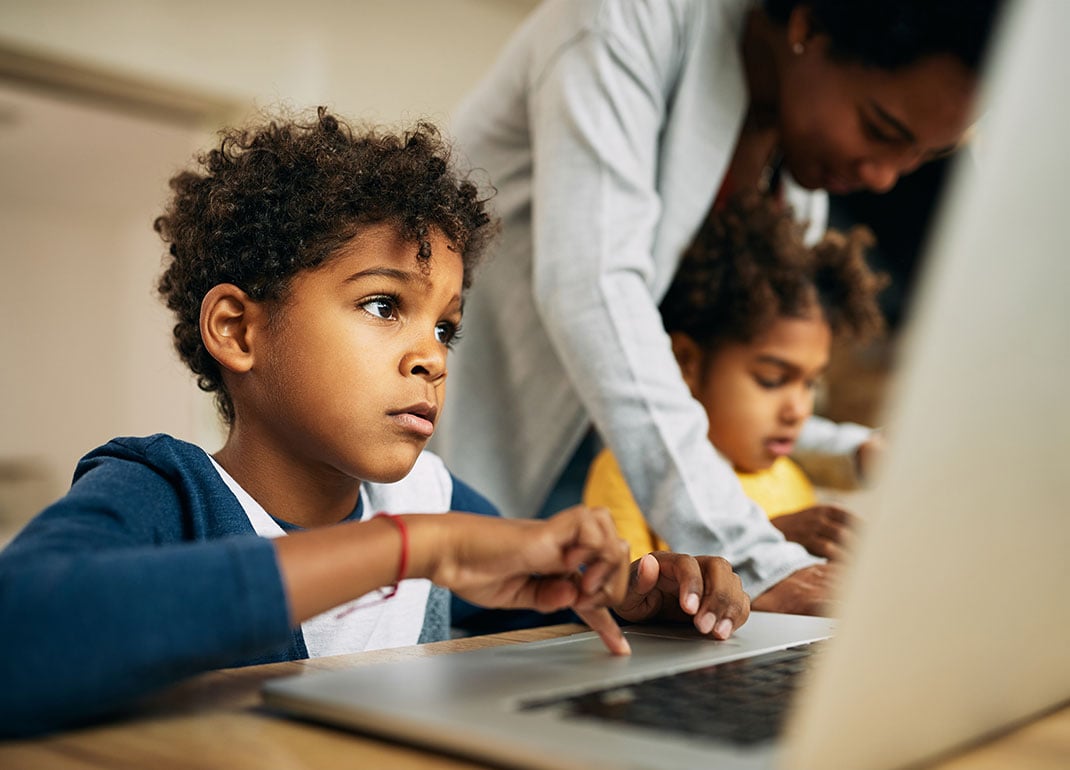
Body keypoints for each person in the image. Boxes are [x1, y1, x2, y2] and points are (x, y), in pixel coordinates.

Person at [0, 109, 751, 738]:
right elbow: (21, 636)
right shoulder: (167, 493)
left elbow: (539, 621)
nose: (432, 357)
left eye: (446, 328)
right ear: (237, 330)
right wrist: (409, 549)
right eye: (384, 305)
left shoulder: (429, 499)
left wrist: (634, 603)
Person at [434, 0, 1004, 614]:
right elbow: (594, 293)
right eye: (882, 129)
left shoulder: (794, 159)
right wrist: (756, 557)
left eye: (922, 154)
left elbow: (721, 394)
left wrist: (849, 452)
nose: (887, 176)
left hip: (601, 550)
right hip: (488, 483)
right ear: (807, 23)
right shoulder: (622, 21)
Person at [584, 193, 886, 563]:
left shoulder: (790, 478)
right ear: (687, 362)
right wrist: (767, 544)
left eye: (810, 384)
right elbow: (623, 598)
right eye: (772, 379)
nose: (798, 410)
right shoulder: (625, 474)